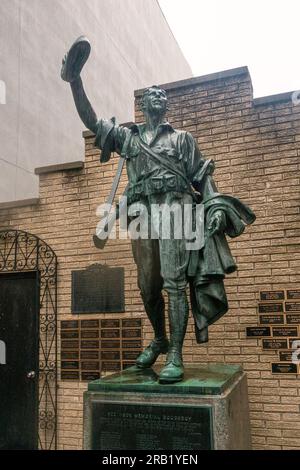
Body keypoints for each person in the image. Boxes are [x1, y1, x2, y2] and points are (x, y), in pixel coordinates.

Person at [62, 48, 255, 384]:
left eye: (161, 94)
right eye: (152, 93)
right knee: (147, 285)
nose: (158, 95)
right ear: (144, 105)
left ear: (166, 106)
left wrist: (213, 209)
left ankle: (176, 355)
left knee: (174, 282)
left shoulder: (182, 140)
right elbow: (93, 122)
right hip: (141, 215)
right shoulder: (130, 139)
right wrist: (75, 81)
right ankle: (160, 339)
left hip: (176, 212)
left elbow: (203, 177)